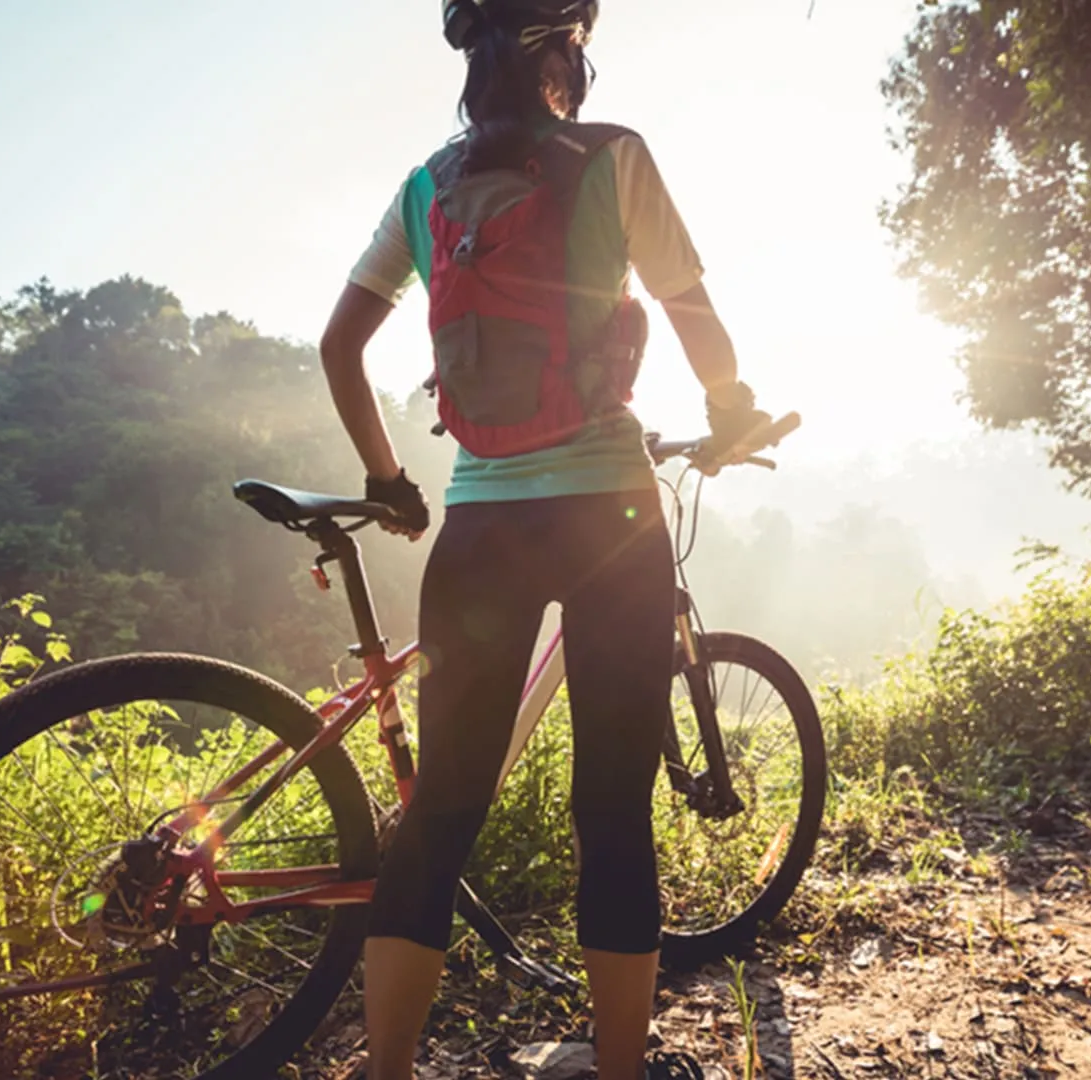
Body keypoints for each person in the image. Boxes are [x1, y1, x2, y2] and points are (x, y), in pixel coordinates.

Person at [317, 3, 769, 1078]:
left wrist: (389, 478)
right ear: (567, 54)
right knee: (612, 809)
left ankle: (386, 1073)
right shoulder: (613, 157)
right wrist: (735, 404)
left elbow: (341, 343)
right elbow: (692, 308)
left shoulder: (427, 185)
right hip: (611, 515)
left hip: (479, 526)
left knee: (439, 816)